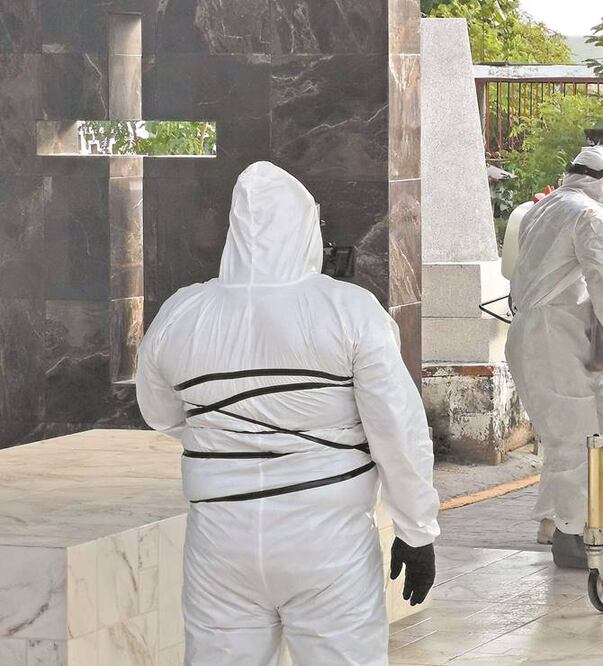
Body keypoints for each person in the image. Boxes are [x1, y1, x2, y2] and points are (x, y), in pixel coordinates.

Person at [136, 161, 440, 665]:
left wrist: (231, 439)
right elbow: (398, 432)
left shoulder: (182, 313)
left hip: (220, 538)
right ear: (305, 227)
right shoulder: (350, 310)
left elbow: (160, 414)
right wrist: (417, 530)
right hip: (327, 540)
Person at [506, 145, 603, 567]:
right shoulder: (587, 214)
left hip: (544, 334)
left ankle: (568, 526)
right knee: (579, 440)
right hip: (555, 338)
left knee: (581, 434)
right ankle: (577, 540)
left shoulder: (546, 207)